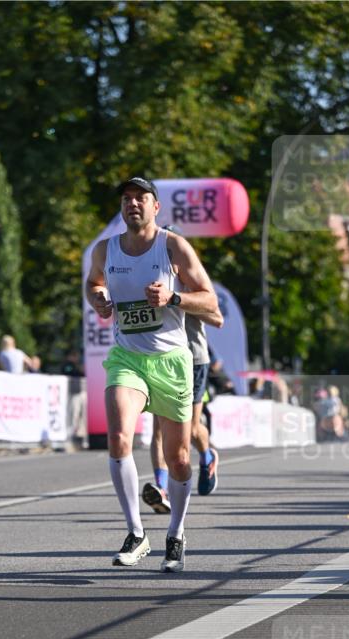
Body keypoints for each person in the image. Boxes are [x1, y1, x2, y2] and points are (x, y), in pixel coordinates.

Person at [86, 175, 218, 572]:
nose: (133, 204)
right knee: (119, 436)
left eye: (141, 198)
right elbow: (94, 283)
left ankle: (175, 533)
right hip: (128, 358)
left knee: (178, 459)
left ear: (155, 206)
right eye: (126, 199)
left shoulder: (173, 246)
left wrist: (173, 297)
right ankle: (136, 533)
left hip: (172, 361)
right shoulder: (105, 250)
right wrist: (98, 300)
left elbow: (210, 302)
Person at [142, 225, 223, 514]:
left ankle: (207, 453)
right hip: (161, 358)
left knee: (187, 429)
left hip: (194, 359)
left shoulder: (190, 280)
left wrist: (177, 299)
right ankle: (161, 487)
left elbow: (218, 319)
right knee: (159, 428)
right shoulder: (147, 276)